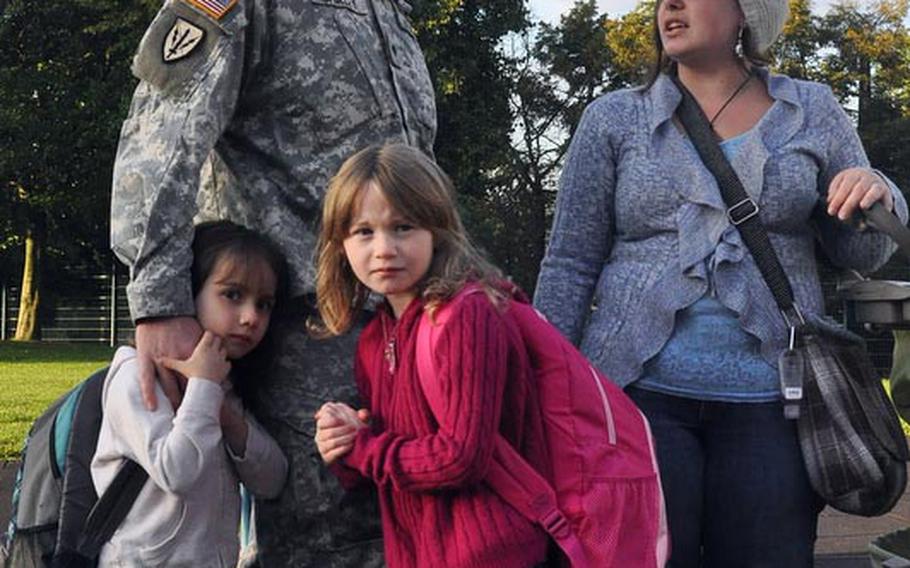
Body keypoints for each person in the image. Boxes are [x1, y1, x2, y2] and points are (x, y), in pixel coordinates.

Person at [533, 0, 909, 566]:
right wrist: (539, 386)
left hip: (774, 405)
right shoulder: (614, 117)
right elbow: (569, 262)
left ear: (745, 14)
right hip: (634, 400)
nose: (670, 6)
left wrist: (875, 192)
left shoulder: (812, 108)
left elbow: (862, 251)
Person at [109, 0, 435, 564]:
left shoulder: (389, 14)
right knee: (325, 536)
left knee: (403, 526)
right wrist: (160, 302)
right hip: (301, 330)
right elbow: (163, 129)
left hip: (405, 327)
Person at [311, 143, 551, 568]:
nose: (383, 248)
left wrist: (364, 449)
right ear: (341, 245)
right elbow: (391, 465)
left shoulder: (467, 314)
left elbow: (461, 457)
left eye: (402, 227)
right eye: (363, 232)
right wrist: (343, 447)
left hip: (493, 555)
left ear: (436, 231)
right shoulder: (373, 340)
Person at [91, 221, 288, 567]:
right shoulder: (135, 376)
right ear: (187, 290)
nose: (250, 317)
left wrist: (226, 414)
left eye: (264, 304)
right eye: (233, 295)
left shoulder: (223, 382)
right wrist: (205, 389)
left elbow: (272, 480)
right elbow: (177, 472)